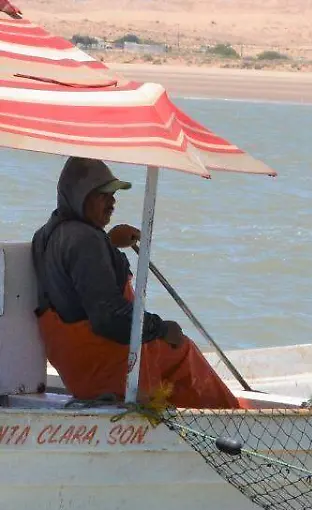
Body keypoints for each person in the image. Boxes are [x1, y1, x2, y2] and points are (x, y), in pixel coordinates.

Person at [30, 156, 243, 409]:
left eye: (113, 194)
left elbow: (73, 285)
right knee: (181, 349)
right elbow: (109, 317)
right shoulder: (86, 241)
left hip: (76, 369)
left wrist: (108, 244)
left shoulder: (45, 235)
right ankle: (230, 423)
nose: (112, 202)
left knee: (167, 351)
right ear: (79, 196)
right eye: (103, 194)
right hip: (108, 367)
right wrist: (161, 328)